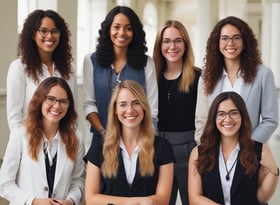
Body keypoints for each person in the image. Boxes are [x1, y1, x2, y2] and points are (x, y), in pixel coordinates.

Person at [84, 80, 175, 205]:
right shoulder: (99, 146)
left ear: (144, 107)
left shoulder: (163, 147)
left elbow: (163, 200)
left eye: (136, 103)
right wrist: (135, 202)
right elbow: (91, 199)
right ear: (115, 110)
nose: (130, 110)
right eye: (123, 104)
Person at [0, 77, 85, 205]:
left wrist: (71, 200)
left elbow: (78, 180)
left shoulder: (77, 138)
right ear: (40, 100)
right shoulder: (19, 135)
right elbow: (5, 183)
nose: (57, 106)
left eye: (63, 101)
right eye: (50, 99)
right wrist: (33, 201)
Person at [195, 16, 278, 144]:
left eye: (236, 38)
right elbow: (202, 120)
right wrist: (205, 147)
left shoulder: (263, 75)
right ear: (217, 43)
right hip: (214, 152)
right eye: (224, 38)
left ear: (245, 42)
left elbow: (270, 120)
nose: (230, 43)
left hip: (249, 152)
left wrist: (248, 146)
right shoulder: (207, 77)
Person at [189, 91, 279, 205]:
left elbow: (260, 199)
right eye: (221, 114)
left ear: (242, 116)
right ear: (213, 118)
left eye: (234, 113)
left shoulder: (260, 149)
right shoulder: (199, 152)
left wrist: (274, 170)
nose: (227, 119)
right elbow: (194, 198)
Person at [83, 6, 158, 140]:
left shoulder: (147, 63)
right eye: (116, 27)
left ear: (135, 32)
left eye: (128, 28)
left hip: (138, 139)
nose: (122, 32)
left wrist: (145, 138)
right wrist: (103, 132)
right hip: (101, 139)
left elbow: (152, 107)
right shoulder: (90, 61)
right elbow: (89, 104)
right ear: (108, 30)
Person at [153, 20, 201, 205]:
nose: (172, 46)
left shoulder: (198, 77)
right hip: (157, 148)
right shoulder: (151, 78)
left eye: (178, 40)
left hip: (189, 148)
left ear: (186, 44)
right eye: (166, 41)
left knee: (192, 201)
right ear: (159, 45)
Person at [7, 9, 78, 130]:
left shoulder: (69, 68)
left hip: (61, 142)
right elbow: (14, 116)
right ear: (33, 34)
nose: (49, 36)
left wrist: (72, 140)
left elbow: (73, 110)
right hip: (31, 140)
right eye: (43, 31)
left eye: (55, 31)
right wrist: (22, 143)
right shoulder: (19, 67)